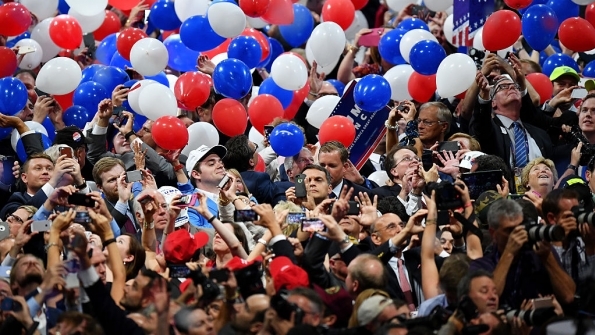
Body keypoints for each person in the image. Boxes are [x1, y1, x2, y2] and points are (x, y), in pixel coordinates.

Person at [469, 199, 575, 308]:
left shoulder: (539, 255)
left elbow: (568, 296)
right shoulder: (482, 266)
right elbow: (488, 299)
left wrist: (547, 258)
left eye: (520, 227)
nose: (518, 233)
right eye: (510, 230)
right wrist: (509, 253)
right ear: (493, 234)